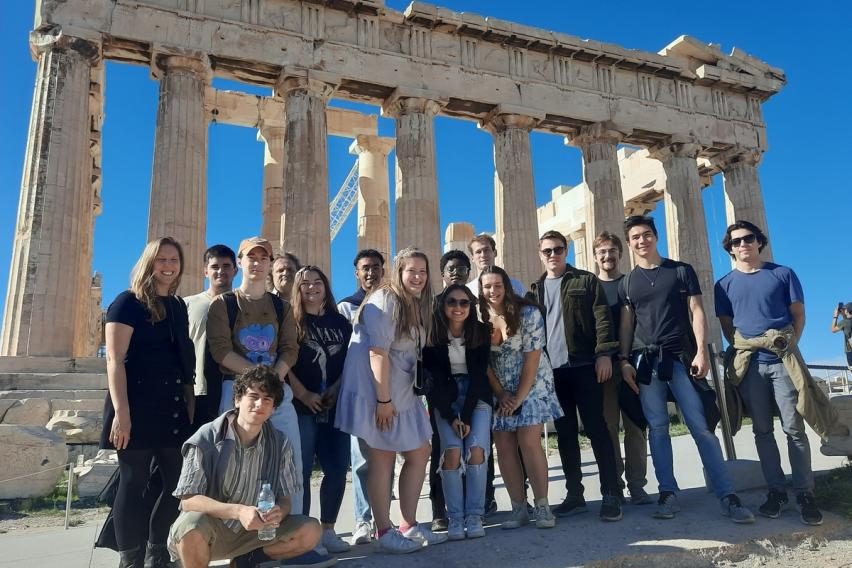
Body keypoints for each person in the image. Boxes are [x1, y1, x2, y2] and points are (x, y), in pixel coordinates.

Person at [617, 215, 755, 523]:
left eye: (647, 234)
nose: (642, 241)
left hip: (681, 357)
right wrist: (624, 360)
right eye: (636, 237)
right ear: (629, 243)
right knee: (658, 428)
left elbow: (696, 311)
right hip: (647, 361)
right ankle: (667, 492)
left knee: (700, 427)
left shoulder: (680, 270)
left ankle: (727, 494)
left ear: (656, 236)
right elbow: (627, 324)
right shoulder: (628, 282)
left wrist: (702, 352)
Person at [335, 247, 448, 553]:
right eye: (412, 271)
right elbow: (377, 353)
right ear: (398, 272)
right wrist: (383, 401)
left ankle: (408, 525)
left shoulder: (415, 303)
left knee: (419, 450)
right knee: (382, 459)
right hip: (378, 391)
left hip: (403, 390)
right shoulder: (385, 300)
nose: (418, 277)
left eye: (423, 271)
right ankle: (384, 530)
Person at [715, 220, 822, 525]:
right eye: (736, 242)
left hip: (781, 362)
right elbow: (727, 325)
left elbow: (798, 315)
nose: (743, 244)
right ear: (730, 249)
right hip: (751, 366)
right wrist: (747, 347)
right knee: (762, 430)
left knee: (794, 428)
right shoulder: (723, 285)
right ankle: (776, 492)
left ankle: (805, 492)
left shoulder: (782, 273)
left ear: (759, 242)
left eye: (748, 239)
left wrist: (788, 347)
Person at [168, 365, 328, 568]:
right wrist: (238, 511)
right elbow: (188, 500)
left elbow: (285, 499)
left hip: (256, 532)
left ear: (273, 410)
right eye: (253, 396)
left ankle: (244, 562)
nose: (259, 404)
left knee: (311, 530)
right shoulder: (206, 437)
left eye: (267, 400)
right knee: (190, 526)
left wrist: (279, 511)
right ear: (237, 400)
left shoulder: (280, 443)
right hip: (211, 529)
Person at [100, 237, 196, 568]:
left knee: (176, 484)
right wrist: (122, 415)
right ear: (149, 262)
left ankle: (157, 554)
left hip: (170, 405)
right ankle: (131, 560)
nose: (168, 266)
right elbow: (114, 359)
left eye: (174, 259)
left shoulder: (179, 306)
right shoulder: (127, 302)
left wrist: (188, 401)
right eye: (161, 259)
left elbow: (180, 358)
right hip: (135, 404)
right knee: (134, 482)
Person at [528, 230, 624, 522]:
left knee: (597, 428)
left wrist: (604, 354)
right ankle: (575, 495)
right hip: (553, 373)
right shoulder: (535, 290)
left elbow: (602, 319)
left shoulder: (585, 280)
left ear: (565, 250)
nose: (553, 255)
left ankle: (611, 493)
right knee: (566, 435)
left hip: (583, 365)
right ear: (540, 253)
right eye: (547, 251)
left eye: (558, 249)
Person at [480, 266, 562, 530]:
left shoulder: (528, 313)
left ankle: (542, 506)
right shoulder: (479, 319)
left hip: (533, 382)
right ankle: (518, 508)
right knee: (503, 444)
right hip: (500, 387)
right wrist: (502, 394)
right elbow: (482, 362)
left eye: (497, 285)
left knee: (528, 440)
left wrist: (519, 397)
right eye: (486, 287)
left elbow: (533, 357)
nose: (492, 291)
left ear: (507, 286)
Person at [288, 266, 354, 551]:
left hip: (335, 405)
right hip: (301, 407)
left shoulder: (340, 323)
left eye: (318, 283)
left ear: (326, 287)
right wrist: (302, 394)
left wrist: (335, 388)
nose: (312, 288)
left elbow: (351, 361)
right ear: (297, 289)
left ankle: (328, 530)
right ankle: (304, 535)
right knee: (300, 473)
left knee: (338, 468)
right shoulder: (290, 322)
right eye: (305, 284)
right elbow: (283, 359)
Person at [423, 284, 493, 540]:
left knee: (476, 451)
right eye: (452, 302)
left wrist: (464, 415)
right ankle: (455, 518)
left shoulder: (482, 332)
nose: (458, 307)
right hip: (444, 396)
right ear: (443, 305)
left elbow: (478, 376)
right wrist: (452, 417)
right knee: (451, 453)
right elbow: (433, 381)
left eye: (464, 303)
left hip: (477, 396)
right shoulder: (431, 335)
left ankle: (474, 515)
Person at [591, 232, 651, 505]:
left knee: (636, 427)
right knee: (608, 427)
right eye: (602, 251)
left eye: (612, 251)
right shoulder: (590, 287)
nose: (607, 256)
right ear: (594, 256)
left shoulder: (631, 284)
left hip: (632, 364)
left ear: (620, 254)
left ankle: (637, 485)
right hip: (602, 367)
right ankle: (615, 483)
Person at [336, 249, 385, 546]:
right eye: (365, 268)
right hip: (357, 393)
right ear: (356, 272)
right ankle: (362, 521)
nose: (371, 273)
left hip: (387, 392)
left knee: (384, 459)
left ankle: (383, 520)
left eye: (376, 268)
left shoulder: (390, 305)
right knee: (361, 460)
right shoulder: (346, 308)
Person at [185, 244, 238, 425]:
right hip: (198, 389)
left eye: (226, 266)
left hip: (235, 389)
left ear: (235, 270)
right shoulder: (187, 305)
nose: (220, 271)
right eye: (214, 267)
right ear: (205, 272)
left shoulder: (245, 306)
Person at [831, 302, 852, 368]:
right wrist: (843, 314)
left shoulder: (844, 323)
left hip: (850, 351)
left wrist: (835, 316)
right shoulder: (846, 322)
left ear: (847, 311)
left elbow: (833, 329)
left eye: (845, 309)